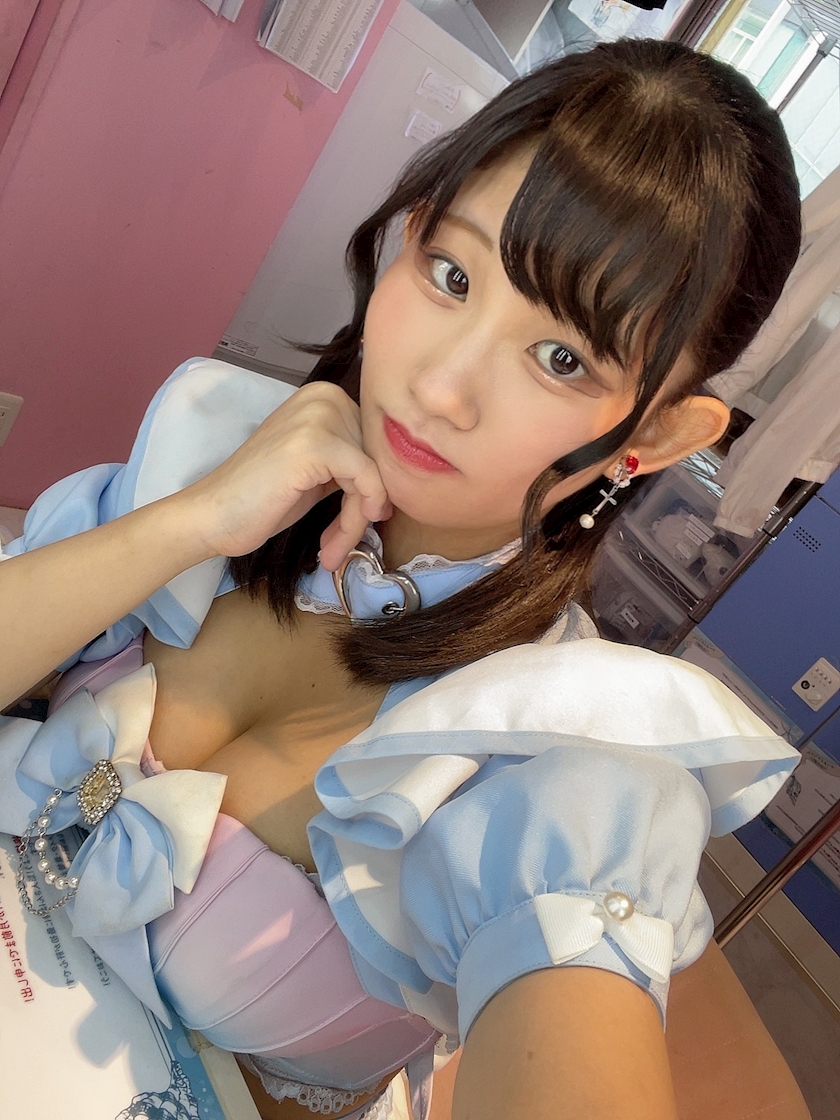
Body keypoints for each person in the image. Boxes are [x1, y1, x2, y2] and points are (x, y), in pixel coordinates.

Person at [0, 38, 805, 1120]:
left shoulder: (550, 760)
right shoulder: (212, 448)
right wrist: (193, 522)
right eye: (452, 274)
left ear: (655, 435)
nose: (439, 386)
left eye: (562, 358)